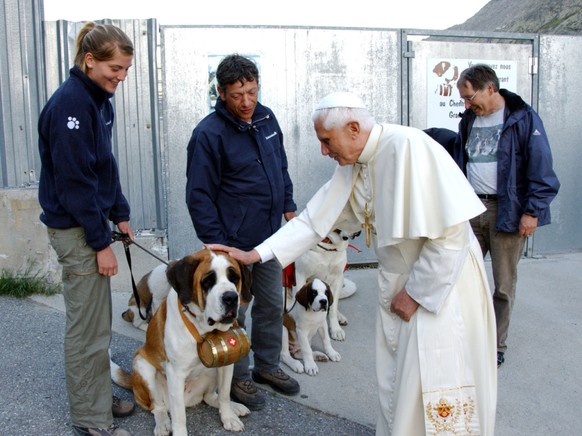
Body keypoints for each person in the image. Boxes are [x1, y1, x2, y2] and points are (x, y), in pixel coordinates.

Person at [209, 91, 498, 435]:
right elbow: (312, 221)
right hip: (405, 280)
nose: (324, 150)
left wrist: (417, 293)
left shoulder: (409, 147)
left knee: (437, 375)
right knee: (404, 375)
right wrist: (254, 255)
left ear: (354, 128)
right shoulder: (357, 163)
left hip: (442, 285)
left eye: (326, 140)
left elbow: (449, 234)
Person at [38, 22, 136, 436]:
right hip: (76, 230)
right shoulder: (70, 106)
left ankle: (96, 396)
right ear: (89, 60)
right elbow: (75, 182)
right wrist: (101, 242)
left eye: (126, 71)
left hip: (91, 222)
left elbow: (104, 166)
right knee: (87, 332)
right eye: (114, 68)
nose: (120, 77)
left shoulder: (98, 99)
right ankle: (91, 420)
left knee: (98, 324)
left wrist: (121, 213)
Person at [185, 54, 299, 411]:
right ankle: (238, 377)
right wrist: (217, 244)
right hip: (232, 243)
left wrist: (289, 204)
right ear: (220, 92)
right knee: (236, 310)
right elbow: (198, 193)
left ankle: (267, 365)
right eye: (237, 95)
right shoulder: (208, 134)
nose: (247, 102)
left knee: (270, 303)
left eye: (252, 91)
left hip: (270, 238)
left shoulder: (266, 118)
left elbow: (280, 165)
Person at [455, 64, 560, 367]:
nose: (466, 104)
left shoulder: (523, 118)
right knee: (462, 277)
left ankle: (495, 345)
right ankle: (465, 335)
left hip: (508, 210)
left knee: (503, 284)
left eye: (469, 96)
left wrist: (532, 212)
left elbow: (541, 167)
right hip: (471, 207)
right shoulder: (469, 120)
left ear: (489, 88)